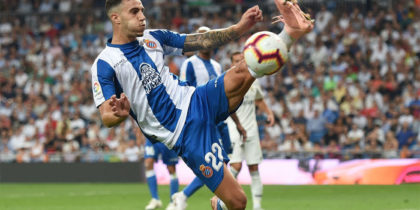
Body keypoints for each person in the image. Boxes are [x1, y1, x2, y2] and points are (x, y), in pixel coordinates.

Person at [91, 0, 312, 209]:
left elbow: (201, 41)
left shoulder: (154, 37)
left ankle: (290, 32)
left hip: (197, 99)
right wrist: (119, 114)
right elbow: (107, 117)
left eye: (141, 10)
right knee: (238, 202)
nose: (142, 16)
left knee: (243, 70)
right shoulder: (105, 63)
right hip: (183, 134)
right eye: (134, 12)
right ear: (116, 18)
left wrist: (240, 27)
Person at [173, 27, 247, 210]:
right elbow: (183, 92)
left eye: (209, 36)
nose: (206, 39)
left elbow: (224, 96)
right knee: (216, 162)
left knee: (220, 163)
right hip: (200, 121)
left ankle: (216, 200)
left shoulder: (216, 66)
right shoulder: (189, 64)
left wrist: (237, 123)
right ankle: (184, 195)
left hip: (221, 121)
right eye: (202, 35)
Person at [226, 52, 275, 210]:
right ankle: (223, 200)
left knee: (254, 167)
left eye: (241, 59)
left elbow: (259, 100)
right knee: (236, 165)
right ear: (231, 62)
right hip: (234, 128)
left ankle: (258, 206)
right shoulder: (227, 79)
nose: (239, 62)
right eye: (236, 60)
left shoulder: (253, 80)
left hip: (251, 129)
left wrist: (269, 113)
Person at [144, 139, 179, 210]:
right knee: (148, 163)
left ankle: (173, 202)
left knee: (171, 169)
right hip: (151, 135)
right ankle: (155, 199)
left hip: (166, 136)